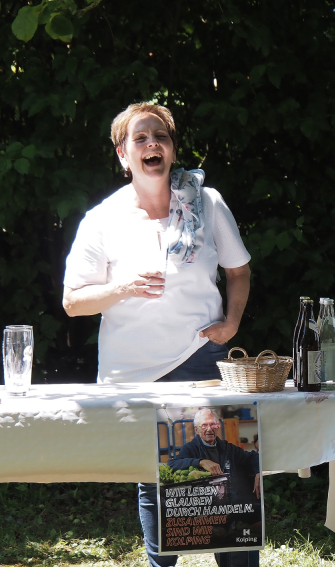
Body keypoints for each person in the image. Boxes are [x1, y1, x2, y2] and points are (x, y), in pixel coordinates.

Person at [62, 102, 252, 567]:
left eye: (160, 136)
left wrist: (231, 324)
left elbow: (239, 271)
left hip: (201, 359)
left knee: (228, 478)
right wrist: (123, 288)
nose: (152, 144)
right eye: (140, 138)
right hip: (134, 375)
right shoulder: (103, 219)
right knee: (157, 481)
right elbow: (73, 301)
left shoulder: (207, 202)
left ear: (171, 149)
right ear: (123, 155)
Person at [168, 409, 261, 567]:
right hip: (208, 508)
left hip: (233, 504)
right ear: (196, 429)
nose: (209, 429)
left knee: (254, 526)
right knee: (223, 539)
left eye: (213, 424)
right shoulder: (190, 448)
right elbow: (172, 464)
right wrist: (199, 462)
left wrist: (258, 471)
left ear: (218, 426)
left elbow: (252, 457)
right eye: (204, 425)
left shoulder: (227, 448)